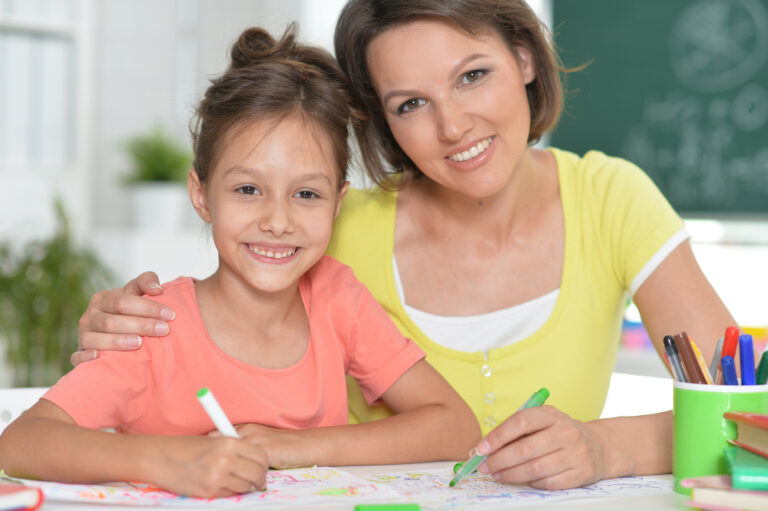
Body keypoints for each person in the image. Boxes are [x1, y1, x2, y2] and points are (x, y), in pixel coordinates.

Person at [73, 0, 738, 491]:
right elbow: (218, 318)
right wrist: (123, 327)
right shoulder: (337, 226)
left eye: (473, 75)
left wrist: (603, 446)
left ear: (526, 57)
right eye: (410, 104)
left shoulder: (611, 199)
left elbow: (743, 411)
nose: (453, 126)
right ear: (384, 121)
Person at [0, 24, 479, 498]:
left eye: (307, 194)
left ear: (337, 204)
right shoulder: (152, 327)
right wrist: (163, 460)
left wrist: (291, 446)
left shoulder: (337, 298)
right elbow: (19, 443)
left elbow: (454, 426)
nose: (277, 220)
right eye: (248, 190)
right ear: (202, 196)